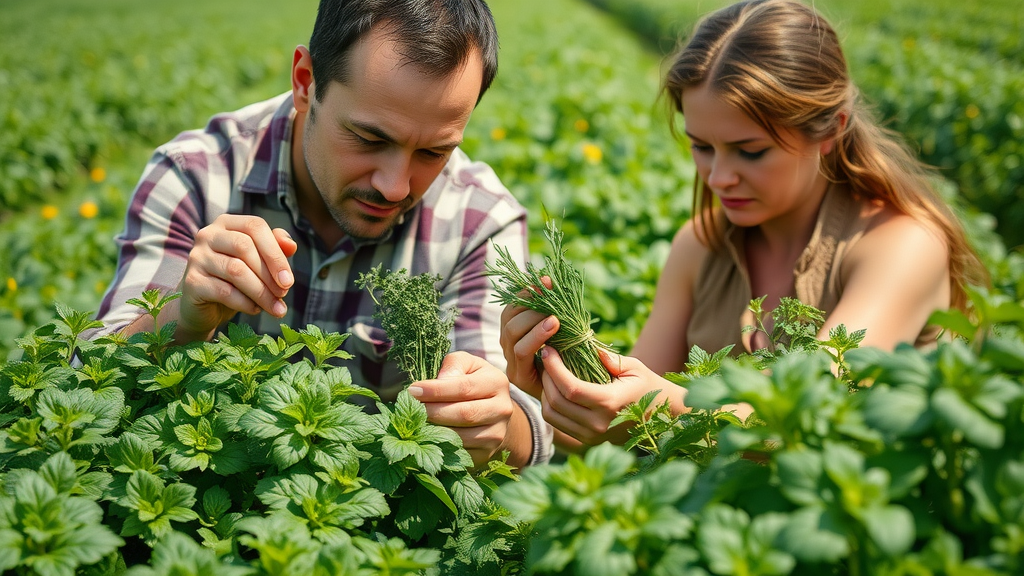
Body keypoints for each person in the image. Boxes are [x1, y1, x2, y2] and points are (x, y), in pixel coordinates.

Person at [499, 0, 987, 449]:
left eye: (750, 151)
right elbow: (621, 428)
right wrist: (557, 389)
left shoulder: (900, 245)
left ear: (831, 131)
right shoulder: (700, 245)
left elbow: (808, 420)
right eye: (702, 146)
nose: (719, 177)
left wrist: (665, 405)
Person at [92, 0, 552, 468]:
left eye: (434, 152)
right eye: (370, 140)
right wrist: (184, 318)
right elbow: (88, 380)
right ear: (305, 83)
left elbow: (512, 416)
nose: (394, 185)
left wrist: (494, 420)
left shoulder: (479, 221)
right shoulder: (195, 177)